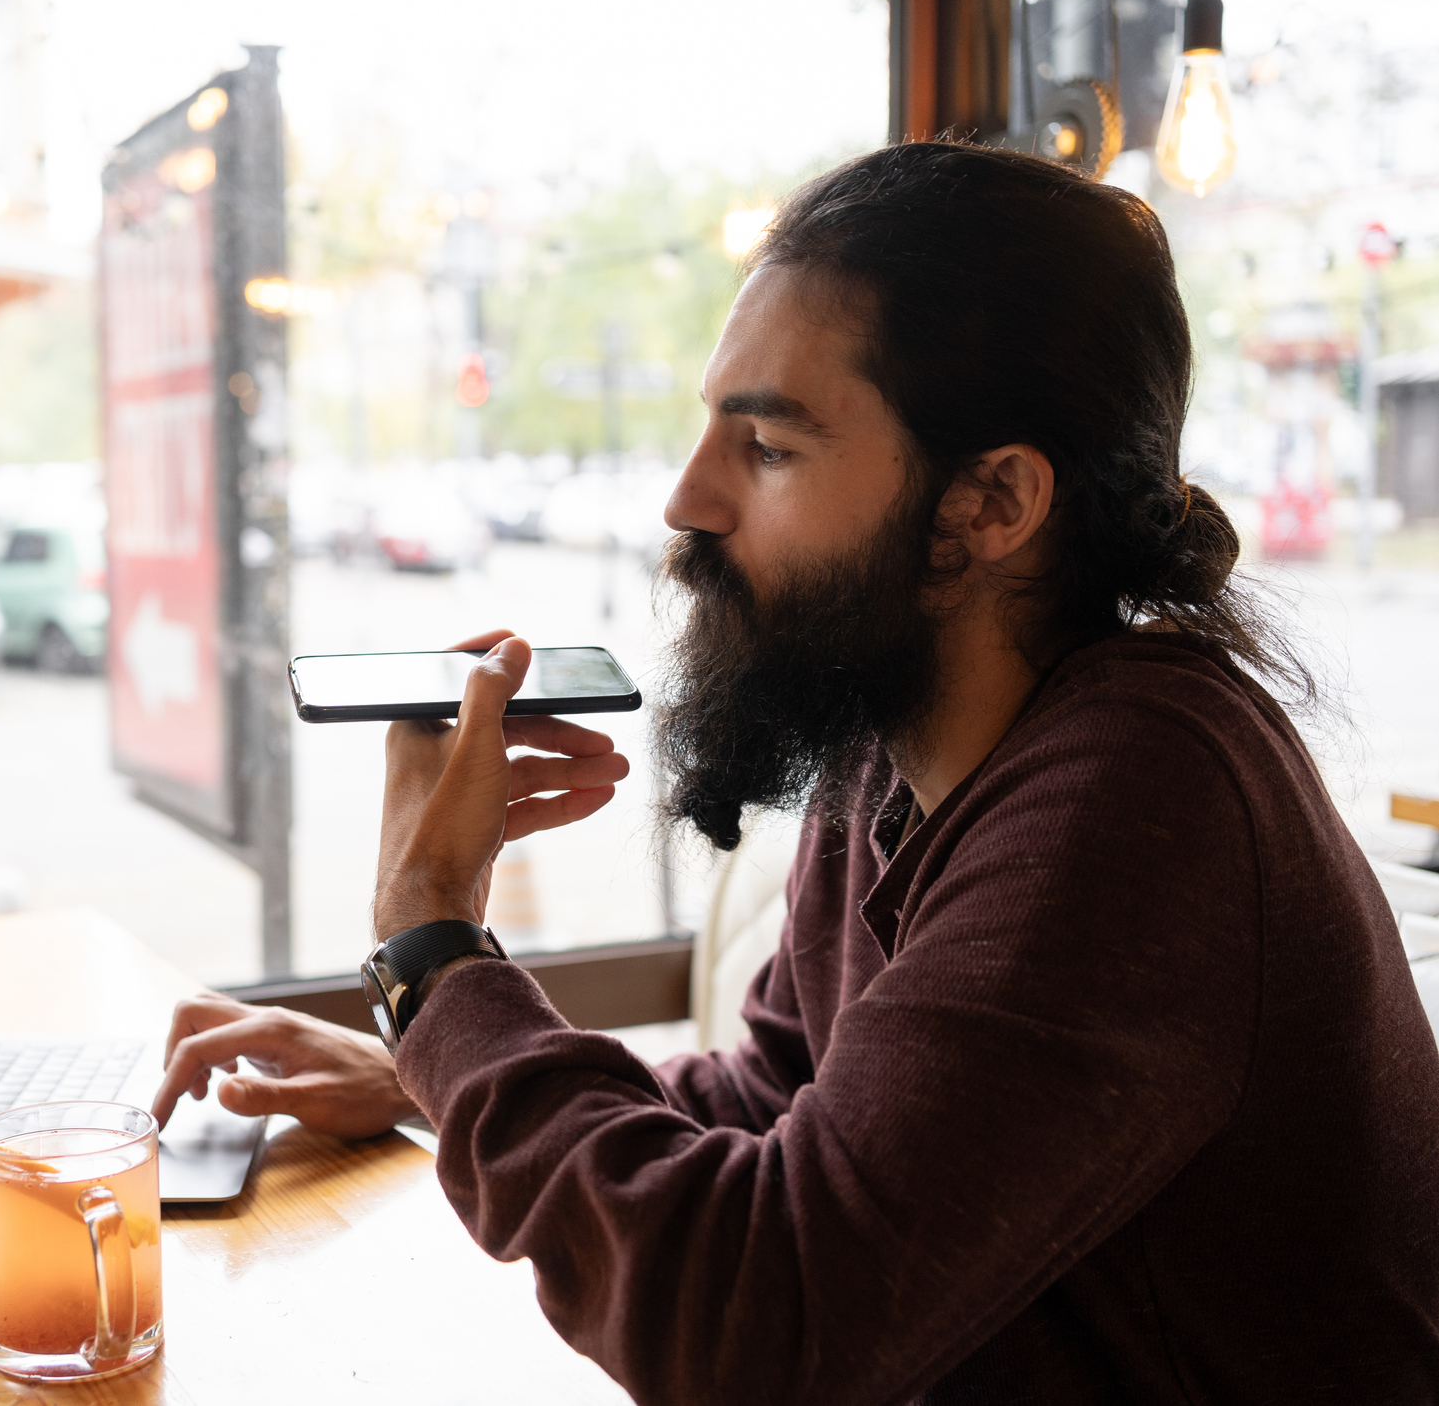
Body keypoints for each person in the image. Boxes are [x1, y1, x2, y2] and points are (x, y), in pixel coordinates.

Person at [151, 142, 1439, 1404]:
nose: (686, 498)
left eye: (766, 449)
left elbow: (760, 1327)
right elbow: (776, 1098)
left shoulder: (1146, 801)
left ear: (991, 501)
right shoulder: (893, 740)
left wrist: (430, 946)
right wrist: (415, 1071)